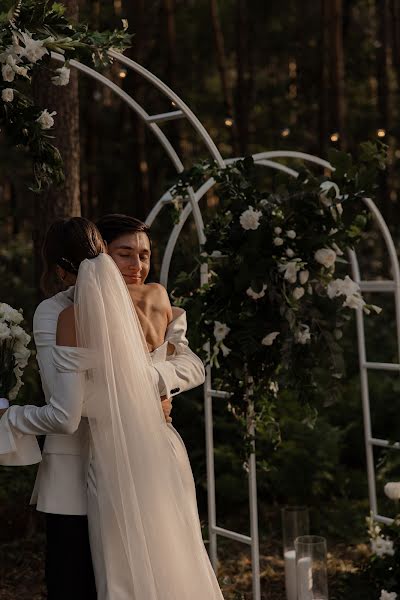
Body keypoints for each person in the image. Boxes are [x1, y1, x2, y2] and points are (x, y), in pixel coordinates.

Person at [0, 217, 213, 599]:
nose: (137, 265)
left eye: (144, 255)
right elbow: (66, 398)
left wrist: (145, 389)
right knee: (75, 580)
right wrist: (137, 399)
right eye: (125, 254)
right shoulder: (55, 312)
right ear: (101, 254)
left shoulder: (153, 299)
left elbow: (191, 365)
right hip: (75, 471)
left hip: (143, 461)